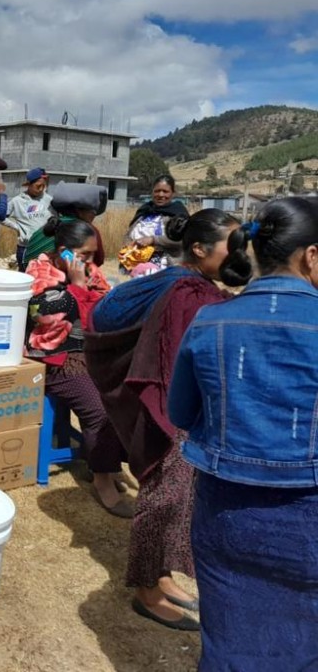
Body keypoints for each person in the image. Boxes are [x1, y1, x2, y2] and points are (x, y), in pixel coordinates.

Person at [168, 197, 318, 670]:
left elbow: (181, 411)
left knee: (230, 642)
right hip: (308, 516)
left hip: (225, 516)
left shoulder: (209, 320)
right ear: (311, 256)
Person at [86, 209, 245, 632]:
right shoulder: (187, 294)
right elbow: (180, 361)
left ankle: (161, 576)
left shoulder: (187, 283)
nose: (240, 253)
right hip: (173, 411)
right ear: (198, 249)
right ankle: (147, 591)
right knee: (163, 498)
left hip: (173, 405)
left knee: (174, 497)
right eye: (233, 244)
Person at [23, 218, 130, 516]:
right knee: (98, 410)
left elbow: (106, 307)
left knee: (124, 399)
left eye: (92, 255)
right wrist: (79, 288)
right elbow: (45, 316)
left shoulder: (88, 270)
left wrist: (81, 289)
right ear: (63, 252)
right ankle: (102, 480)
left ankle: (103, 460)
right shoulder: (39, 271)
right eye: (82, 254)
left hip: (90, 353)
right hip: (53, 359)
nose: (89, 261)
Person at [23, 182, 107, 267]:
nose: (94, 215)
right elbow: (98, 261)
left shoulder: (46, 227)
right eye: (93, 211)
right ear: (79, 211)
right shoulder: (88, 231)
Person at [122, 174, 188, 275]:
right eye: (157, 191)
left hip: (166, 267)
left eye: (165, 191)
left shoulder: (178, 215)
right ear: (152, 192)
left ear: (173, 193)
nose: (161, 195)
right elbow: (129, 233)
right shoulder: (144, 210)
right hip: (138, 264)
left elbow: (183, 240)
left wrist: (153, 240)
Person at [2, 167, 51, 271]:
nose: (41, 189)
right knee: (27, 278)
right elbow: (1, 216)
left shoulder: (49, 200)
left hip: (46, 247)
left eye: (43, 186)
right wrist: (16, 227)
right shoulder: (17, 201)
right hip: (27, 248)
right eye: (38, 186)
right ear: (29, 184)